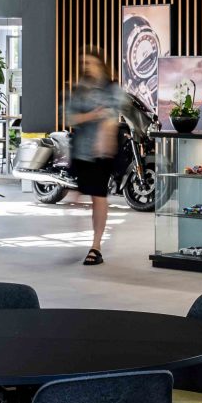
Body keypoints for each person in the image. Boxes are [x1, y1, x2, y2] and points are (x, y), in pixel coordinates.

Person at [64, 45, 125, 266]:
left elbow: (112, 114)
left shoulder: (112, 87)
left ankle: (96, 246)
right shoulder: (80, 89)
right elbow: (69, 117)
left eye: (89, 62)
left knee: (98, 197)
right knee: (82, 195)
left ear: (100, 63)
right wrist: (92, 114)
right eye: (83, 63)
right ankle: (87, 238)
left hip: (102, 151)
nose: (85, 66)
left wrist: (100, 124)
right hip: (81, 150)